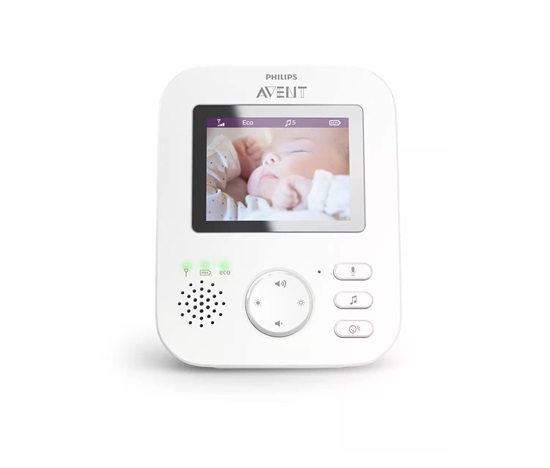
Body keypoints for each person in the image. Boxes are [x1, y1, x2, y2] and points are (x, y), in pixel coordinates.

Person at [206, 128, 350, 221]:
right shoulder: (249, 214)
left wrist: (314, 192)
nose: (268, 158)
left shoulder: (344, 203)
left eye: (296, 150)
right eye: (262, 161)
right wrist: (232, 157)